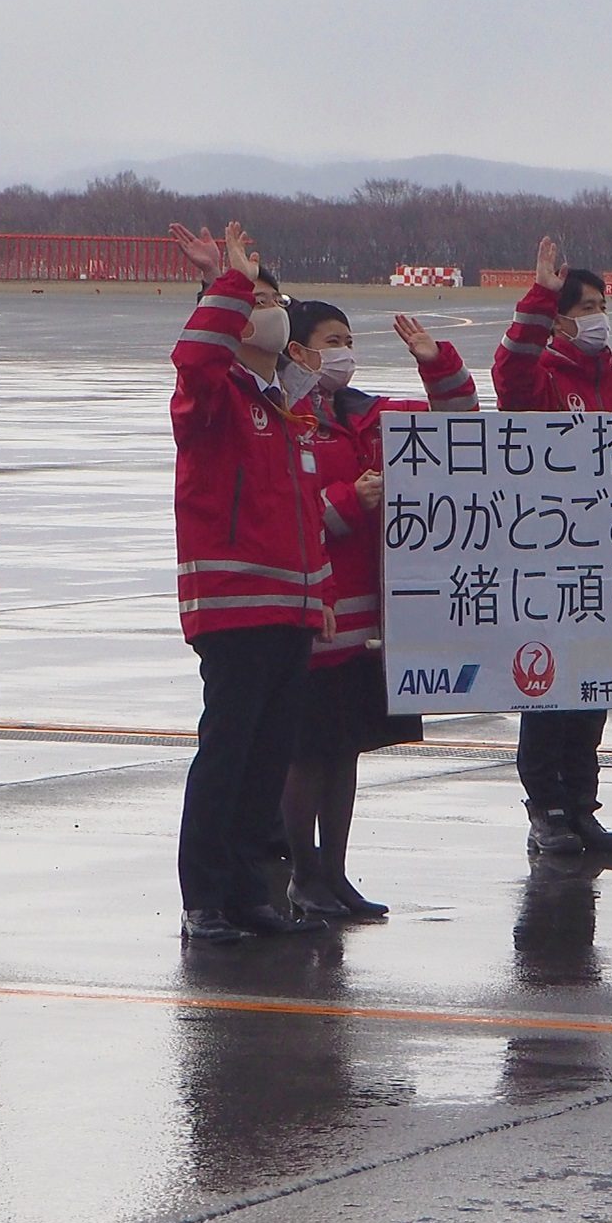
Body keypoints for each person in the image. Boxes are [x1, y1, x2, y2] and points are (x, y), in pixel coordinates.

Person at [280, 302, 479, 920]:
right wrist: (348, 500)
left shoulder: (366, 414)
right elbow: (280, 514)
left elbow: (457, 422)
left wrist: (436, 363)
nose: (344, 352)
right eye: (331, 341)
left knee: (345, 750)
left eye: (348, 340)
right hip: (315, 609)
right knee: (308, 753)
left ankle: (333, 873)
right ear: (298, 352)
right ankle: (301, 873)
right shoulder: (283, 419)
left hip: (366, 618)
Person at [168, 220, 334, 945]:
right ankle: (204, 896)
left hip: (292, 607)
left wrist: (320, 599)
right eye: (255, 299)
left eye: (271, 295)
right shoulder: (214, 398)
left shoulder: (289, 406)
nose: (269, 306)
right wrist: (225, 283)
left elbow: (306, 516)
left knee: (268, 756)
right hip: (236, 605)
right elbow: (195, 356)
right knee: (228, 750)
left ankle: (249, 890)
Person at [490, 234, 612, 860]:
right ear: (559, 321)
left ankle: (582, 806)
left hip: (606, 562)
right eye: (584, 309)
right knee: (548, 691)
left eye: (602, 305)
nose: (598, 318)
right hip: (549, 559)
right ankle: (545, 809)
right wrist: (538, 298)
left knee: (593, 693)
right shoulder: (545, 378)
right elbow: (509, 376)